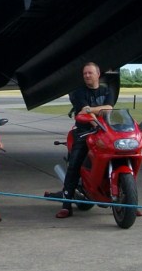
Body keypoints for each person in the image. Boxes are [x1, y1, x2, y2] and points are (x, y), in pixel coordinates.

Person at [48, 62, 114, 218]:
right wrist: (96, 118)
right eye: (85, 73)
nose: (87, 76)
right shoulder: (79, 93)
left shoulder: (107, 91)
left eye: (90, 73)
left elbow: (110, 108)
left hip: (105, 132)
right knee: (75, 165)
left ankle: (130, 203)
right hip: (84, 131)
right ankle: (66, 206)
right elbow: (85, 113)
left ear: (98, 74)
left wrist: (91, 110)